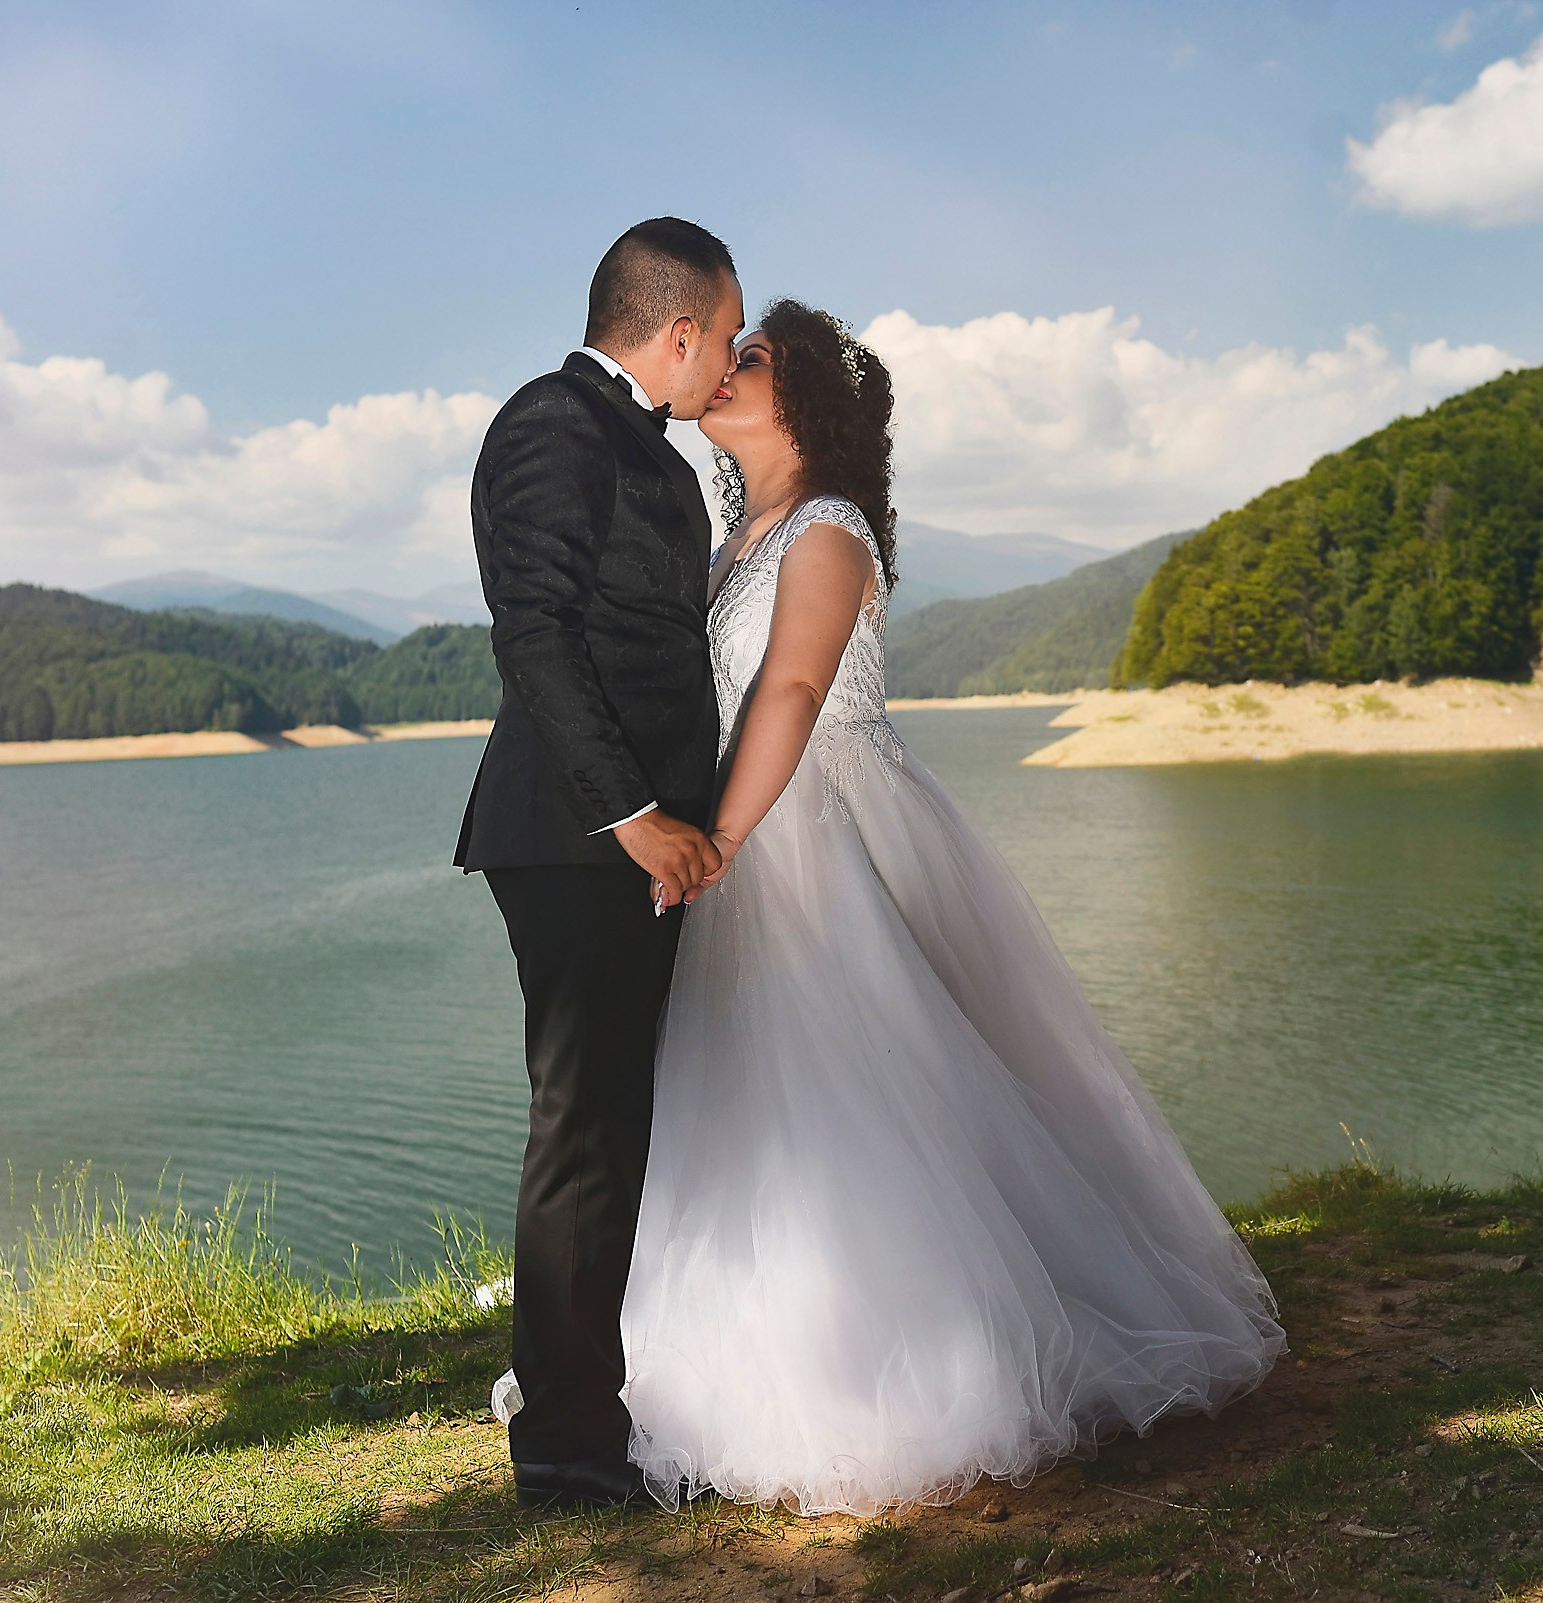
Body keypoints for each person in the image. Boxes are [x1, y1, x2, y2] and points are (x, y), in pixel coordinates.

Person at [613, 300, 1286, 1516]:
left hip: (819, 836)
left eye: (749, 357)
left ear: (805, 400)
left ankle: (908, 1363)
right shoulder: (732, 540)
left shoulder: (824, 529)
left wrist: (720, 834)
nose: (722, 367)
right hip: (756, 838)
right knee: (750, 1100)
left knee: (866, 1085)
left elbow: (796, 686)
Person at [455, 217, 744, 1510]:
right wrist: (635, 815)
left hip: (633, 841)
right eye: (723, 338)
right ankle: (568, 1453)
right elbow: (535, 629)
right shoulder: (551, 424)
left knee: (615, 1125)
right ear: (677, 331)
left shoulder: (654, 450)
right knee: (583, 1131)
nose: (727, 361)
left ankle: (589, 1406)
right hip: (575, 839)